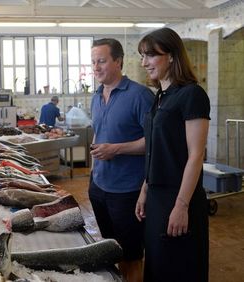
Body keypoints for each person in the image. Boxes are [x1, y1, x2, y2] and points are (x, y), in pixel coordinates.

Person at [135, 27, 210, 282]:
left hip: (179, 197)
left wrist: (181, 205)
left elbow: (196, 155)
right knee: (157, 266)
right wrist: (145, 189)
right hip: (157, 196)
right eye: (142, 56)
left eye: (150, 55)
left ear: (171, 56)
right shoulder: (160, 97)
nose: (144, 62)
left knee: (179, 267)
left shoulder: (192, 94)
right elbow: (157, 150)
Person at [89, 38, 154, 282]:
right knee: (111, 248)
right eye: (93, 61)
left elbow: (154, 143)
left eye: (102, 61)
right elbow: (98, 133)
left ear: (118, 61)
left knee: (131, 255)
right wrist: (94, 172)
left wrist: (115, 149)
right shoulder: (96, 96)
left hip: (127, 191)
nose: (96, 67)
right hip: (99, 187)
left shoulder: (140, 96)